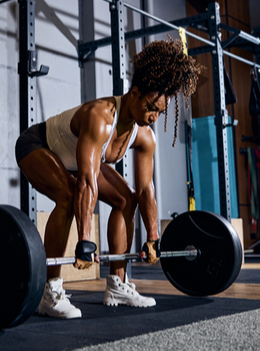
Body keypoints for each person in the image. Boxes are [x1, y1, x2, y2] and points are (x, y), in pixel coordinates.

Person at [14, 39, 202, 319]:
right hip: (38, 145)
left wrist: (153, 237)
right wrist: (86, 241)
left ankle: (117, 284)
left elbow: (146, 189)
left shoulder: (144, 136)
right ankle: (48, 292)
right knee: (67, 195)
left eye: (160, 112)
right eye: (151, 107)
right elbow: (87, 182)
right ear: (135, 93)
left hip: (77, 163)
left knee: (125, 199)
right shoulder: (100, 117)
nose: (153, 117)